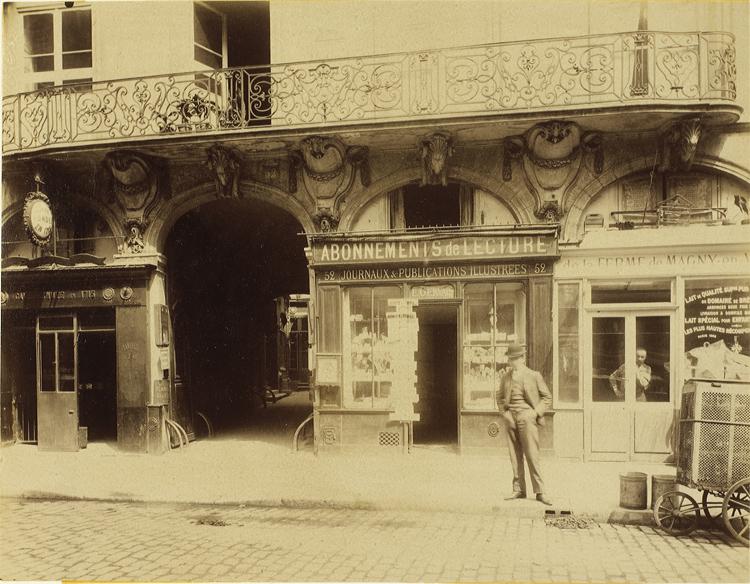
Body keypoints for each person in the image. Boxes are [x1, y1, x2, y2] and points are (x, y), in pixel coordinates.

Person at [496, 342, 553, 506]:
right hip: (510, 418)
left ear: (522, 358)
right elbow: (499, 397)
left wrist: (535, 413)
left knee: (532, 455)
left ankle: (540, 492)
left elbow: (547, 398)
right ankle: (518, 489)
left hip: (527, 417)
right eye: (510, 359)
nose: (512, 362)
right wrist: (504, 414)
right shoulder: (505, 377)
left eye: (515, 359)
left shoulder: (533, 375)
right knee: (514, 455)